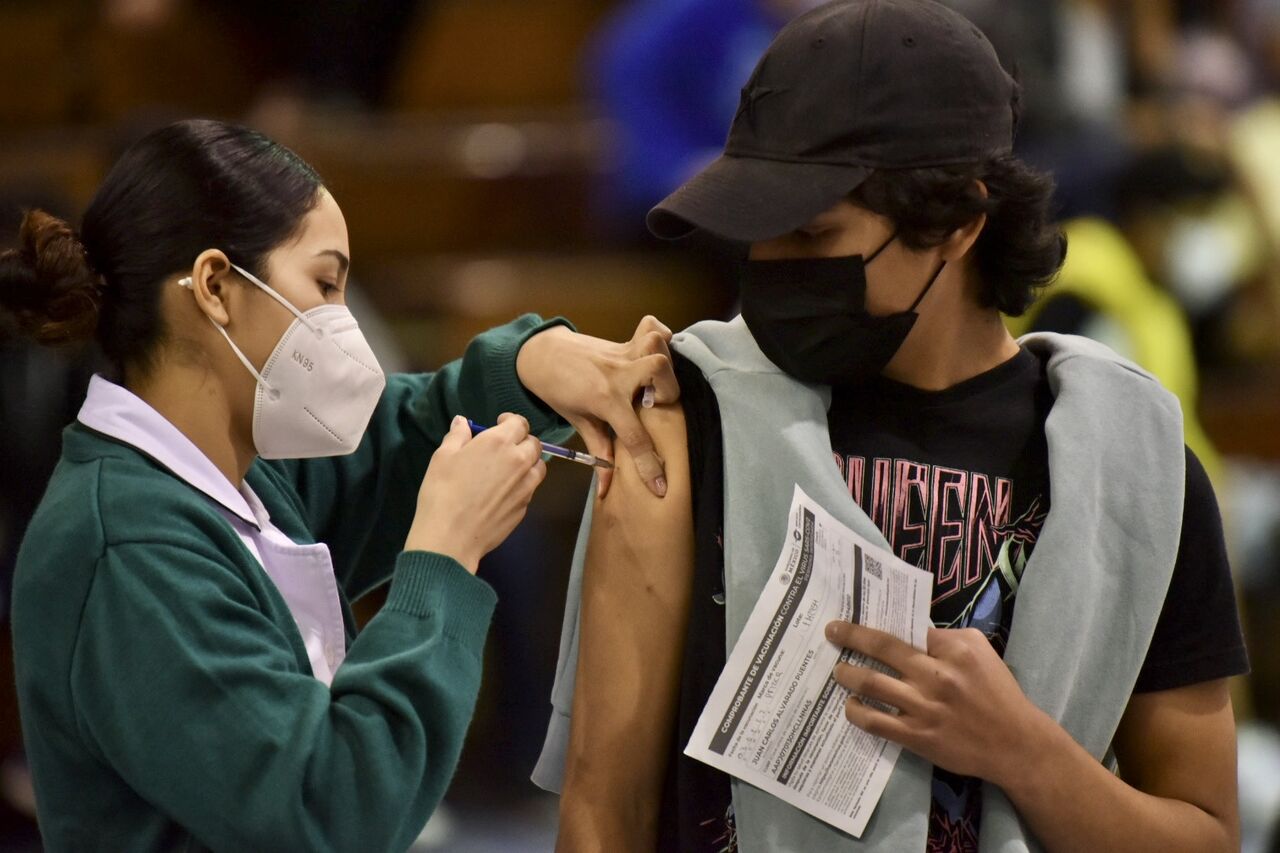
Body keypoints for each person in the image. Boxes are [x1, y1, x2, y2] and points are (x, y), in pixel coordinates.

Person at [534, 2, 1249, 852]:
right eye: (760, 234)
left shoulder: (1131, 465)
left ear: (955, 220)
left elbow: (1206, 831)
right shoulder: (690, 416)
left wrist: (1024, 751)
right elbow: (600, 812)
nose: (773, 271)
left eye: (813, 233)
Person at [0, 118, 679, 851]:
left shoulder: (229, 474)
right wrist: (441, 562)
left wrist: (528, 365)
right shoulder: (124, 549)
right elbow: (328, 813)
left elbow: (394, 445)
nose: (340, 320)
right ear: (216, 286)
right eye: (324, 283)